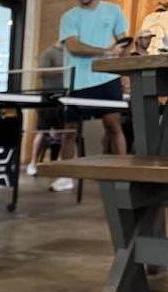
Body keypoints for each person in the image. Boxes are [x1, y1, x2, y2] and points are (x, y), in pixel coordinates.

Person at [50, 0, 128, 193]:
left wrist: (125, 69)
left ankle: (122, 175)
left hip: (107, 78)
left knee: (113, 126)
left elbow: (124, 43)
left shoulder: (114, 11)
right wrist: (106, 51)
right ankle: (66, 176)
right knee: (69, 131)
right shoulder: (69, 16)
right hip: (77, 80)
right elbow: (74, 46)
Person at [26, 42, 64, 177]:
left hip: (65, 96)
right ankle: (33, 162)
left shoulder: (71, 54)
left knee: (64, 132)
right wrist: (62, 70)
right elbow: (41, 73)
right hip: (48, 96)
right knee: (42, 131)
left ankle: (60, 164)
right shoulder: (48, 52)